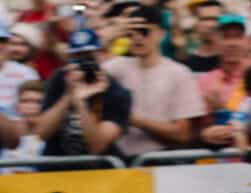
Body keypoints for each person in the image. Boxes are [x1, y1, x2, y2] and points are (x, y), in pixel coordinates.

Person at [102, 5, 205, 158]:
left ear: (161, 34)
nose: (137, 37)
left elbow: (183, 134)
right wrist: (110, 37)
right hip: (121, 160)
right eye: (131, 33)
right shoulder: (118, 66)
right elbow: (79, 72)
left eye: (144, 31)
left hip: (164, 160)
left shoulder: (179, 73)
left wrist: (135, 120)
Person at [37, 28, 131, 158]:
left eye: (89, 57)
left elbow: (97, 146)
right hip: (56, 171)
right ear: (69, 58)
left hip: (96, 173)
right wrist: (69, 95)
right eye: (78, 57)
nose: (84, 63)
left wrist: (80, 103)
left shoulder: (115, 91)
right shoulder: (60, 79)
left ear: (100, 55)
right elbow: (41, 134)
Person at [197, 14, 251, 149]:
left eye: (238, 37)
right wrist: (204, 134)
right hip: (217, 162)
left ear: (248, 41)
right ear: (216, 41)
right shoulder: (204, 82)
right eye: (226, 37)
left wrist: (222, 111)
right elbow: (195, 128)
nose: (232, 43)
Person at [0, 23, 40, 116]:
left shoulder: (26, 73)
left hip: (16, 125)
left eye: (3, 41)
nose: (0, 46)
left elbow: (34, 107)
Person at [182, 0, 224, 73]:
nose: (210, 24)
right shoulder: (184, 66)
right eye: (205, 19)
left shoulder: (231, 62)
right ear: (196, 23)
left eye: (215, 19)